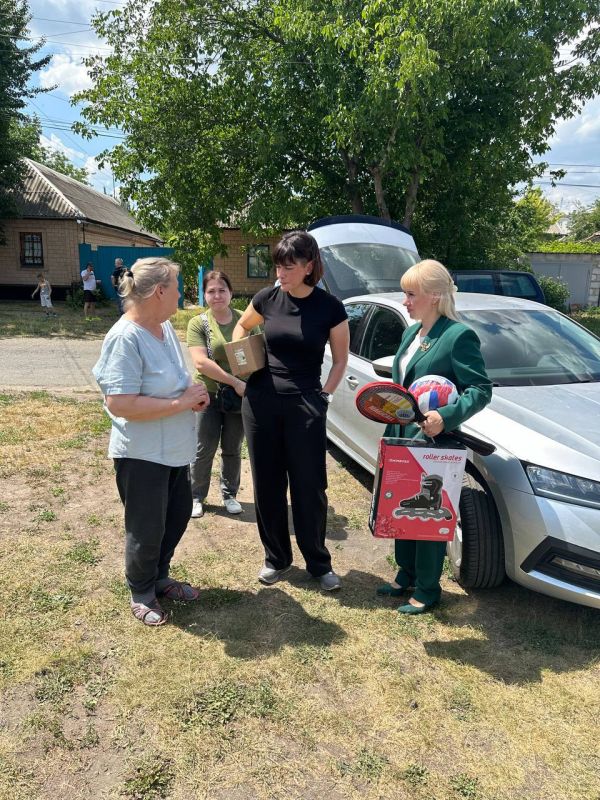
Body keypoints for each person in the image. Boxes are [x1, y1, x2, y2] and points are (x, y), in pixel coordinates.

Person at [92, 256, 209, 626]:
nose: (182, 296)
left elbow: (173, 379)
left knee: (173, 519)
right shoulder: (126, 337)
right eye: (178, 289)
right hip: (143, 454)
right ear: (160, 291)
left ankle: (160, 577)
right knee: (146, 528)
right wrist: (180, 402)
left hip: (173, 449)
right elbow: (120, 403)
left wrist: (192, 393)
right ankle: (141, 590)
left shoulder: (164, 328)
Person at [233, 230, 350, 591]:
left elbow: (341, 359)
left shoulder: (330, 307)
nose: (280, 273)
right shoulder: (267, 298)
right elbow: (241, 327)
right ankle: (276, 559)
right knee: (267, 484)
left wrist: (324, 396)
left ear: (308, 266)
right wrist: (244, 361)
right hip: (260, 403)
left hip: (305, 406)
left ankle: (318, 562)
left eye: (288, 266)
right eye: (278, 266)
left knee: (309, 486)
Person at [377, 259, 492, 614]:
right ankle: (406, 573)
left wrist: (446, 415)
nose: (405, 301)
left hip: (433, 442)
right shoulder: (413, 333)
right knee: (401, 508)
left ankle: (427, 589)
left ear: (435, 296)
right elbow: (405, 381)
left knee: (425, 514)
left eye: (411, 294)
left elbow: (480, 389)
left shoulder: (458, 335)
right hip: (402, 436)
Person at [187, 270, 248, 518]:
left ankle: (229, 494)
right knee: (204, 448)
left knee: (232, 447)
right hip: (208, 394)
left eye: (222, 290)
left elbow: (255, 353)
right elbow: (201, 363)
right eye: (211, 291)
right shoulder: (198, 323)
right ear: (204, 295)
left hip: (238, 397)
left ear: (231, 293)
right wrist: (234, 381)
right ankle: (195, 496)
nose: (217, 295)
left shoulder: (245, 320)